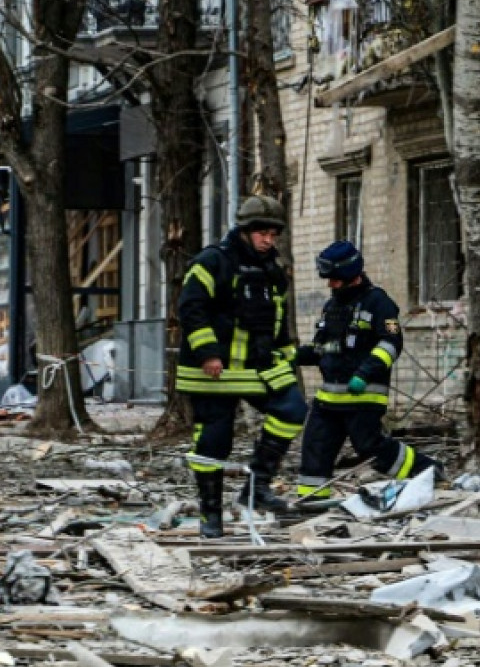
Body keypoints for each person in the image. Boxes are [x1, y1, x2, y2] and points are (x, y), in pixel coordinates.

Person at [176, 195, 307, 538]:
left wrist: (288, 354)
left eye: (273, 234)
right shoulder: (212, 262)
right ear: (245, 231)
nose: (269, 240)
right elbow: (191, 308)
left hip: (258, 366)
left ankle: (256, 486)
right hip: (214, 372)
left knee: (292, 408)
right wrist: (207, 353)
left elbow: (277, 319)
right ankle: (211, 514)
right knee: (213, 443)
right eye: (262, 233)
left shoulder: (272, 270)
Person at [296, 241, 438, 497]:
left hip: (363, 396)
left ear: (350, 274)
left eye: (334, 279)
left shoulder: (378, 302)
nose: (330, 285)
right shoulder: (332, 307)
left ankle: (428, 473)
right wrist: (292, 357)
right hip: (328, 400)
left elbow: (392, 342)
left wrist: (364, 373)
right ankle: (310, 502)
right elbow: (322, 349)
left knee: (372, 449)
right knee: (315, 449)